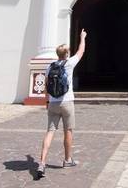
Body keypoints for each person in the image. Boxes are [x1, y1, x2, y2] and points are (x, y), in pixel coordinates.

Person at [37, 29, 87, 178]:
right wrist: (82, 37)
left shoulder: (49, 66)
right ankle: (67, 160)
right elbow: (81, 51)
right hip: (67, 102)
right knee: (68, 131)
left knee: (50, 131)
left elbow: (46, 86)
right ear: (66, 54)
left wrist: (47, 101)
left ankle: (42, 162)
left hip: (53, 103)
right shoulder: (69, 63)